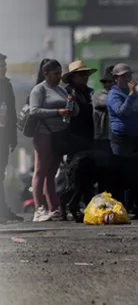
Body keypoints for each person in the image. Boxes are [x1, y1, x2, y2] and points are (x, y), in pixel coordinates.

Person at [27, 59, 77, 222]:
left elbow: (73, 111)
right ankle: (38, 209)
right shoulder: (39, 90)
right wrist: (57, 112)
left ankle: (53, 208)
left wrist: (71, 105)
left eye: (60, 73)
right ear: (46, 73)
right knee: (41, 171)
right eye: (56, 74)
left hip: (59, 135)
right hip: (43, 134)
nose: (58, 77)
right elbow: (34, 111)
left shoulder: (61, 90)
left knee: (51, 173)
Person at [0, 54, 22, 222]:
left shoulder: (7, 85)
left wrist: (13, 138)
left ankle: (3, 210)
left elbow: (12, 113)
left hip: (4, 136)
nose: (4, 68)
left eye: (4, 65)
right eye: (1, 65)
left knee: (1, 174)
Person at [62, 61, 97, 158]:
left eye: (86, 75)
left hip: (89, 134)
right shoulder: (67, 92)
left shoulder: (89, 92)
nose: (85, 77)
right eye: (82, 75)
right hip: (75, 135)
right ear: (73, 77)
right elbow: (67, 114)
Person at [93, 66, 115, 148]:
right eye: (106, 82)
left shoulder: (122, 95)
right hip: (103, 137)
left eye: (111, 82)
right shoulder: (98, 95)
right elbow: (111, 102)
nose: (107, 84)